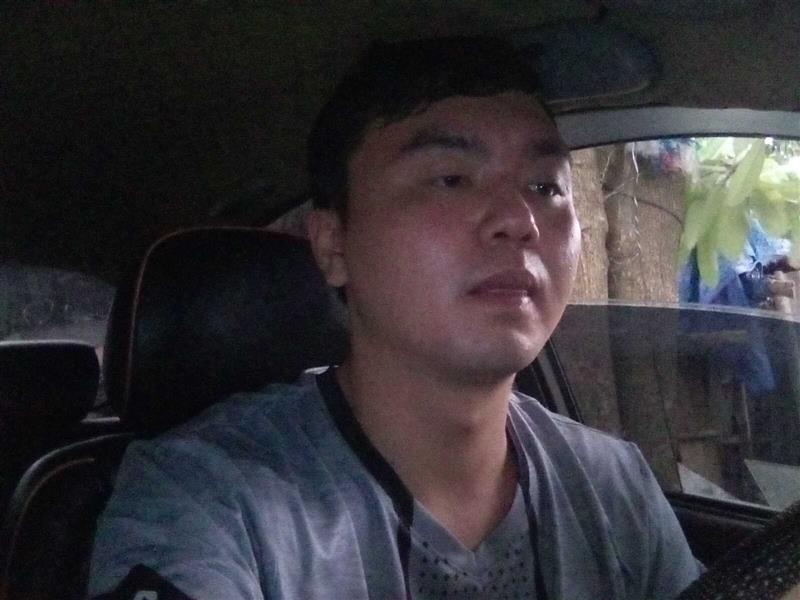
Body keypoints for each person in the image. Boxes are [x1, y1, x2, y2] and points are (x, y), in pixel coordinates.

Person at [88, 36, 704, 599]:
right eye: (451, 179)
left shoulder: (612, 488)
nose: (519, 220)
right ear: (334, 246)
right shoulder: (205, 498)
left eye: (545, 187)